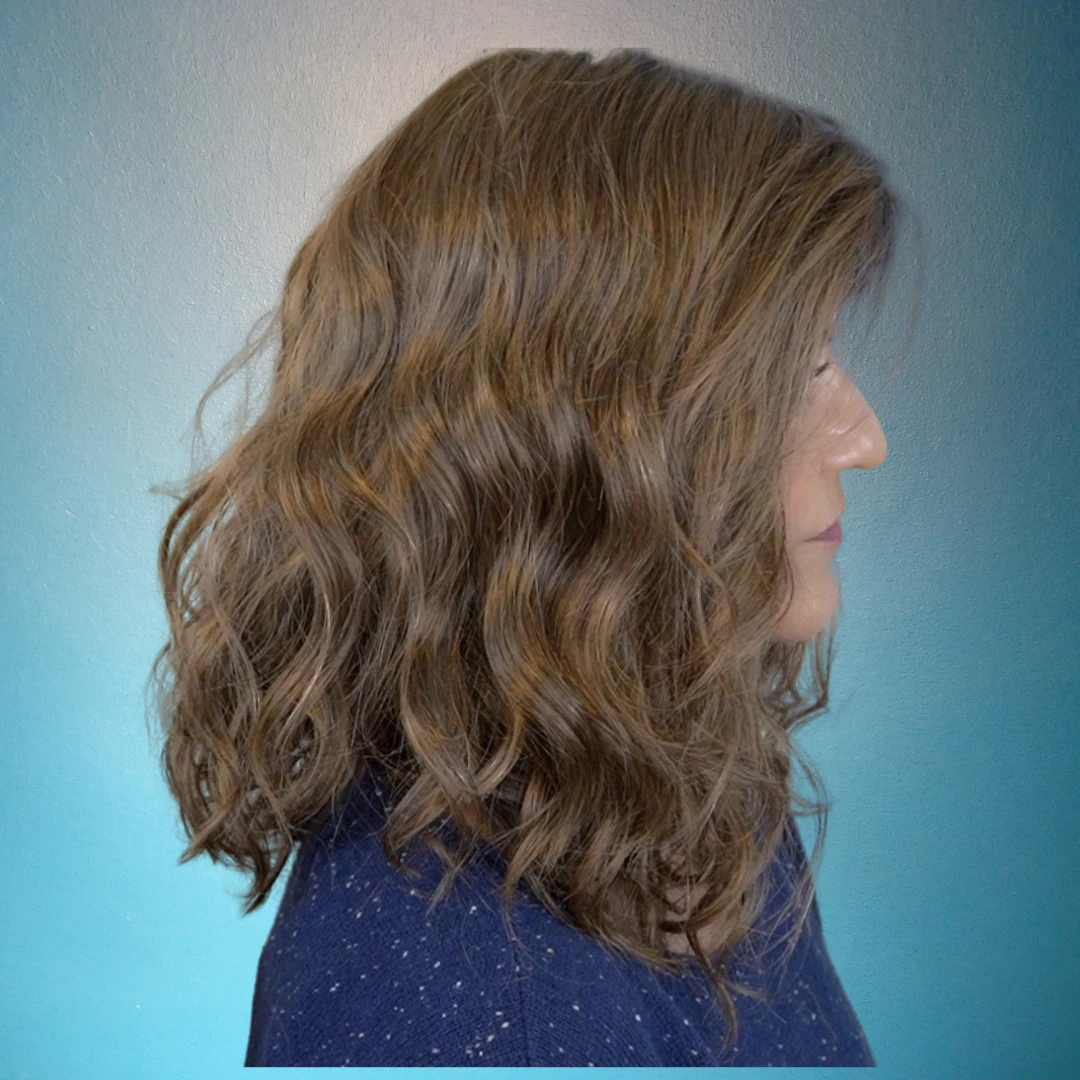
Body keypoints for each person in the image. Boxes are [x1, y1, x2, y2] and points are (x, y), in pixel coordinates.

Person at [148, 47, 899, 1067]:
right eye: (799, 370)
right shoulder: (442, 999)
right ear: (581, 445)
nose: (866, 439)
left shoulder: (678, 786)